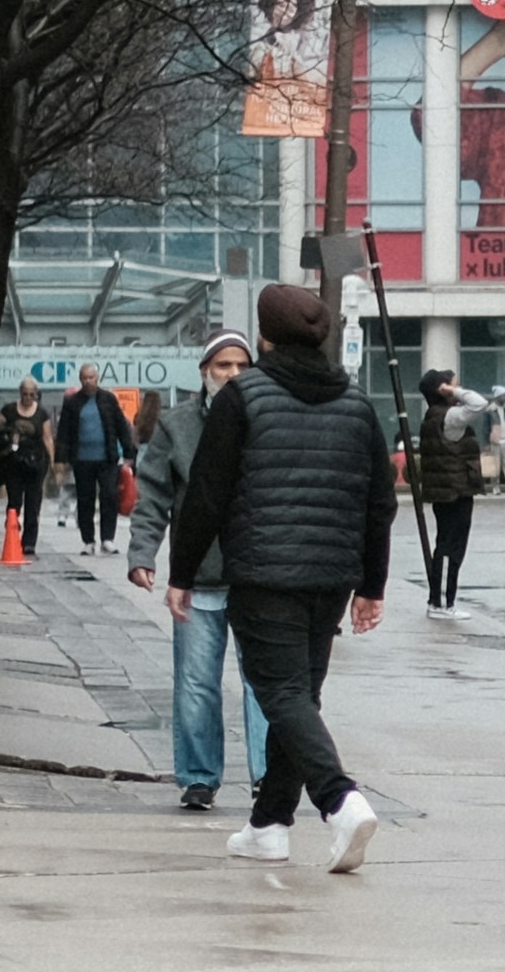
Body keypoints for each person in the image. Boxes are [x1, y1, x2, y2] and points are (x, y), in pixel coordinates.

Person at [161, 281, 393, 871]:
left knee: (284, 694)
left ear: (264, 336)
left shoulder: (245, 399)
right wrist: (371, 585)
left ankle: (340, 801)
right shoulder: (358, 405)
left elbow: (207, 497)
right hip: (332, 578)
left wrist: (181, 571)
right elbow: (378, 504)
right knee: (301, 696)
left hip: (264, 572)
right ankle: (268, 824)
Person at [127, 333, 271, 814]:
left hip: (258, 576)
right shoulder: (178, 425)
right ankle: (198, 777)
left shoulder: (268, 418)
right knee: (195, 682)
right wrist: (142, 554)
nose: (233, 374)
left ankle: (268, 777)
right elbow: (153, 497)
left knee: (264, 683)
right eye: (223, 365)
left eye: (242, 366)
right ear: (205, 370)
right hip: (200, 575)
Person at [405, 368, 489, 611]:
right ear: (442, 391)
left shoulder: (433, 416)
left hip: (445, 490)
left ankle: (440, 600)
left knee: (445, 541)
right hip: (456, 489)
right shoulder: (450, 417)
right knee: (452, 545)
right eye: (452, 385)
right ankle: (442, 601)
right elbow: (478, 403)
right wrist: (454, 391)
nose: (457, 389)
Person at [55, 370, 129, 550]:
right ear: (80, 380)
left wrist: (129, 451)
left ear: (98, 379)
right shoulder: (72, 402)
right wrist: (60, 460)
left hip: (107, 457)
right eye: (85, 378)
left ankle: (107, 539)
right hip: (82, 459)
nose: (88, 381)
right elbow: (63, 431)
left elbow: (121, 425)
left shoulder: (108, 399)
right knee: (85, 499)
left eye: (91, 378)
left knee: (109, 496)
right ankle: (88, 540)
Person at [0, 385, 51, 561]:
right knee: (14, 501)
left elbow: (47, 437)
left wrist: (52, 462)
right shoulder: (9, 411)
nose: (28, 398)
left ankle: (29, 542)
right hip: (13, 463)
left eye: (32, 395)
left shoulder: (42, 414)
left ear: (36, 395)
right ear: (20, 393)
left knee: (33, 502)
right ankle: (12, 531)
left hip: (35, 463)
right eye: (25, 394)